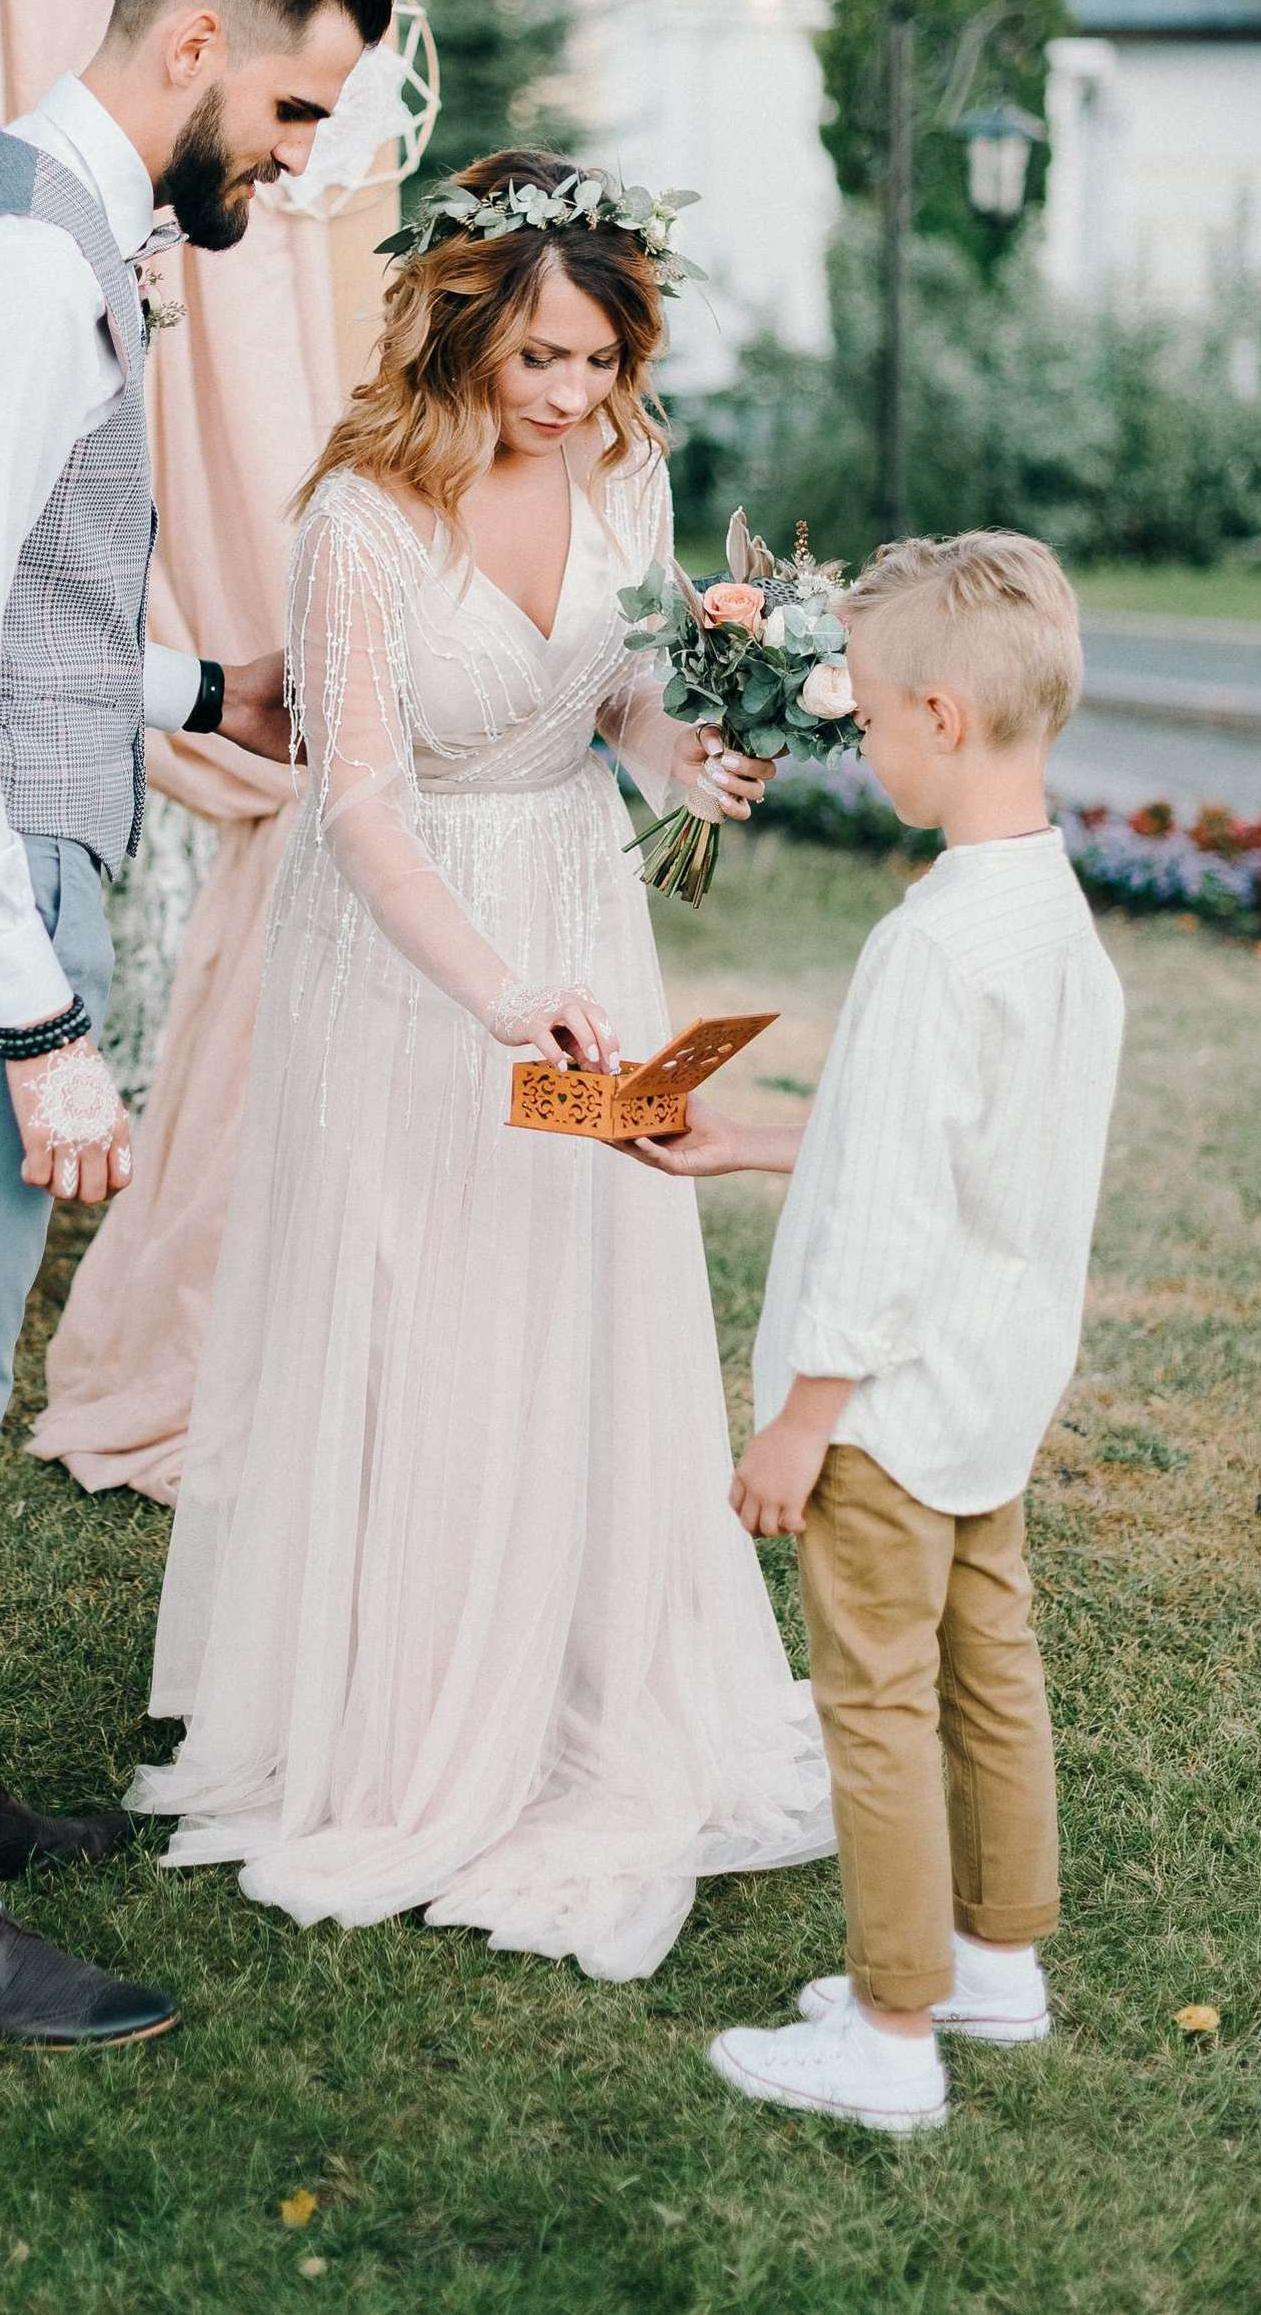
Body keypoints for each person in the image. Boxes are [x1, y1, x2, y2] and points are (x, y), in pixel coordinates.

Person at [0, 0, 394, 2048]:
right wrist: (38, 1021)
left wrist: (198, 690)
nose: (297, 160)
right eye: (296, 111)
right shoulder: (27, 276)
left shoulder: (36, 227)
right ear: (193, 49)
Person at [128, 150, 836, 1981]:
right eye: (539, 357)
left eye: (600, 361)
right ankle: (410, 1697)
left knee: (570, 1279)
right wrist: (499, 996)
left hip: (580, 904)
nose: (570, 395)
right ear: (460, 330)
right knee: (420, 1299)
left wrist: (694, 759)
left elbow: (623, 697)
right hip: (412, 951)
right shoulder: (361, 520)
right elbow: (355, 804)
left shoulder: (627, 474)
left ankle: (581, 1660)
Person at [622, 531, 1124, 2133]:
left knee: (879, 1701)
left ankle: (894, 2032)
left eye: (878, 719)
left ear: (943, 720)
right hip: (993, 1387)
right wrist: (749, 1144)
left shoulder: (928, 947)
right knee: (991, 1668)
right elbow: (956, 1156)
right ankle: (998, 1962)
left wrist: (800, 1421)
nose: (871, 745)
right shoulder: (1051, 922)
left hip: (887, 1410)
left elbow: (892, 1217)